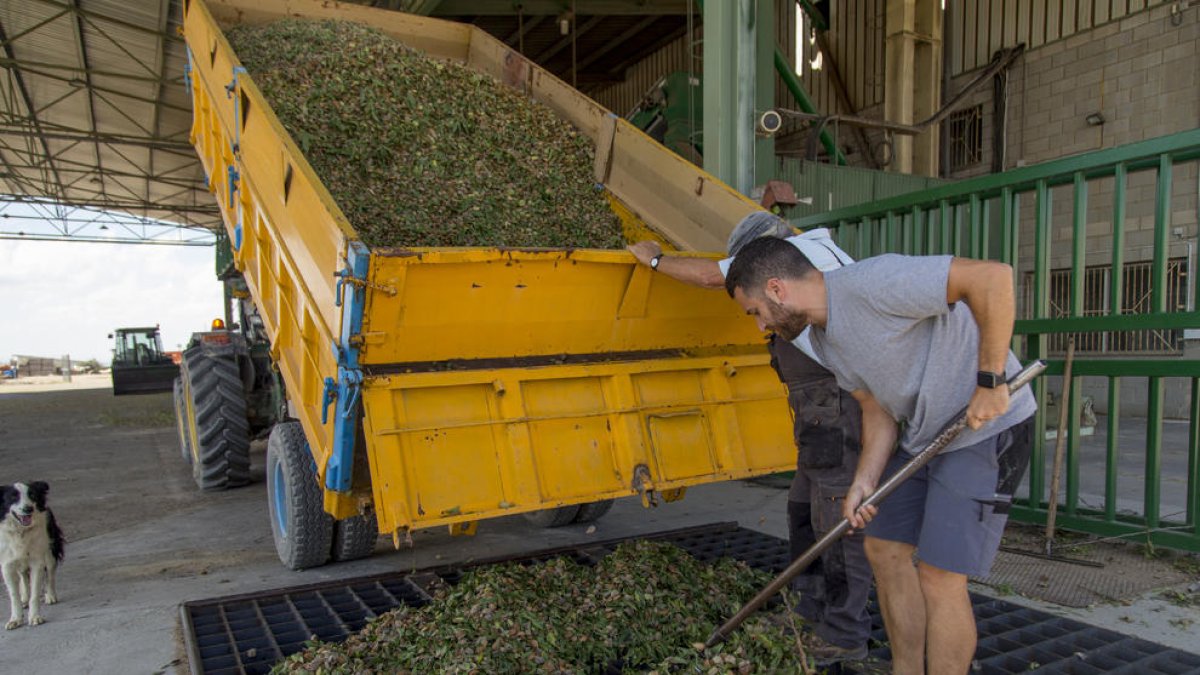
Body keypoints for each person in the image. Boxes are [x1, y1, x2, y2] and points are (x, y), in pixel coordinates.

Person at [723, 236, 1037, 675]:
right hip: (929, 434)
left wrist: (990, 378)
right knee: (884, 549)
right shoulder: (825, 340)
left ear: (776, 289)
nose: (760, 327)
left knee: (939, 575)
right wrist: (864, 480)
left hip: (984, 429)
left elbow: (991, 277)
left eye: (755, 312)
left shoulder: (872, 283)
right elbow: (876, 407)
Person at [628, 213, 872, 664]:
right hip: (818, 410)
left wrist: (655, 259)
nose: (760, 322)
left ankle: (844, 632)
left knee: (836, 522)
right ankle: (809, 610)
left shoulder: (800, 259)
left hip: (835, 406)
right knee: (803, 510)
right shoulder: (812, 252)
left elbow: (706, 275)